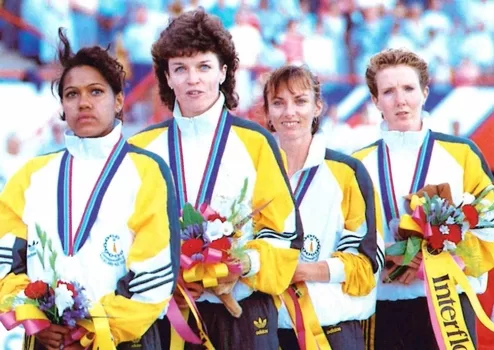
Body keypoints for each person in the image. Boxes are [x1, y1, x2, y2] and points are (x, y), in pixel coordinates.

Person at [128, 9, 302, 350]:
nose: (193, 79)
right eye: (180, 69)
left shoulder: (256, 142)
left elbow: (283, 233)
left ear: (223, 72)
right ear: (167, 77)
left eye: (204, 67)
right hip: (164, 315)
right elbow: (127, 234)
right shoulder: (140, 147)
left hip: (240, 315)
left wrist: (241, 265)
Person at [0, 29, 180, 350]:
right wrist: (34, 316)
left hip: (123, 341)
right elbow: (5, 264)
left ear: (119, 100)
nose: (83, 102)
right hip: (46, 340)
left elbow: (155, 275)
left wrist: (93, 326)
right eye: (72, 94)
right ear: (62, 106)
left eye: (96, 92)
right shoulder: (31, 175)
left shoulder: (147, 171)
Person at [352, 48, 494, 349]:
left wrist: (440, 258)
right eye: (388, 91)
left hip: (448, 304)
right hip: (381, 309)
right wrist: (389, 257)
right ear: (375, 100)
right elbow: (346, 237)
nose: (400, 100)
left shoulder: (462, 154)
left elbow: (490, 229)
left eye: (408, 88)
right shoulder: (356, 165)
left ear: (425, 92)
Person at [262, 65, 384, 350]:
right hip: (264, 331)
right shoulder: (252, 172)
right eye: (278, 103)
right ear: (267, 113)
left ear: (318, 107)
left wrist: (301, 271)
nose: (289, 112)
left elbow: (366, 265)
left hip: (333, 330)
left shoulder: (348, 172)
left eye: (300, 101)